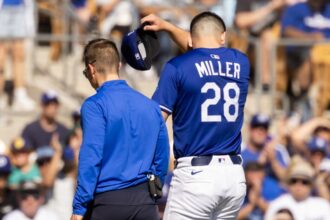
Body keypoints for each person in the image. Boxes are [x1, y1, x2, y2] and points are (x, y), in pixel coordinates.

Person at [141, 12, 250, 219]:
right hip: (234, 177)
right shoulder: (241, 62)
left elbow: (154, 122)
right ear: (223, 37)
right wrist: (169, 27)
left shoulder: (177, 67)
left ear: (190, 39)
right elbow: (202, 54)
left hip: (196, 177)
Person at [71, 39, 169, 220]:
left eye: (86, 73)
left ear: (92, 70)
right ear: (119, 65)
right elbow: (162, 156)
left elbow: (91, 156)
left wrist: (79, 207)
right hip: (144, 202)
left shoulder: (95, 105)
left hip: (108, 200)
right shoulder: (150, 106)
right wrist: (152, 192)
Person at [265, 156, 330, 220]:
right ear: (288, 183)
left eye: (304, 182)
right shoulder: (277, 204)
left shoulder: (322, 206)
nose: (298, 185)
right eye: (294, 181)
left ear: (311, 185)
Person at [0, 0, 35, 111]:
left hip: (20, 9)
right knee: (1, 55)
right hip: (3, 10)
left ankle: (19, 93)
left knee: (19, 54)